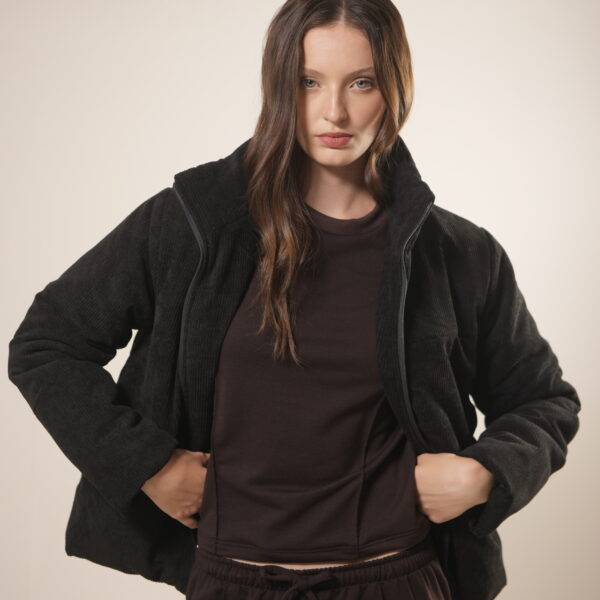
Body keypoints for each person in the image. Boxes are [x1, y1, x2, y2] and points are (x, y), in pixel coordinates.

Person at [7, 1, 581, 599]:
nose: (334, 111)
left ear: (395, 87)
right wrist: (147, 464)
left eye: (361, 83)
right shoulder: (196, 223)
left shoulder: (459, 253)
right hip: (232, 579)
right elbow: (47, 343)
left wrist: (486, 472)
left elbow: (543, 401)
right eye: (309, 82)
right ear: (279, 85)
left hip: (398, 577)